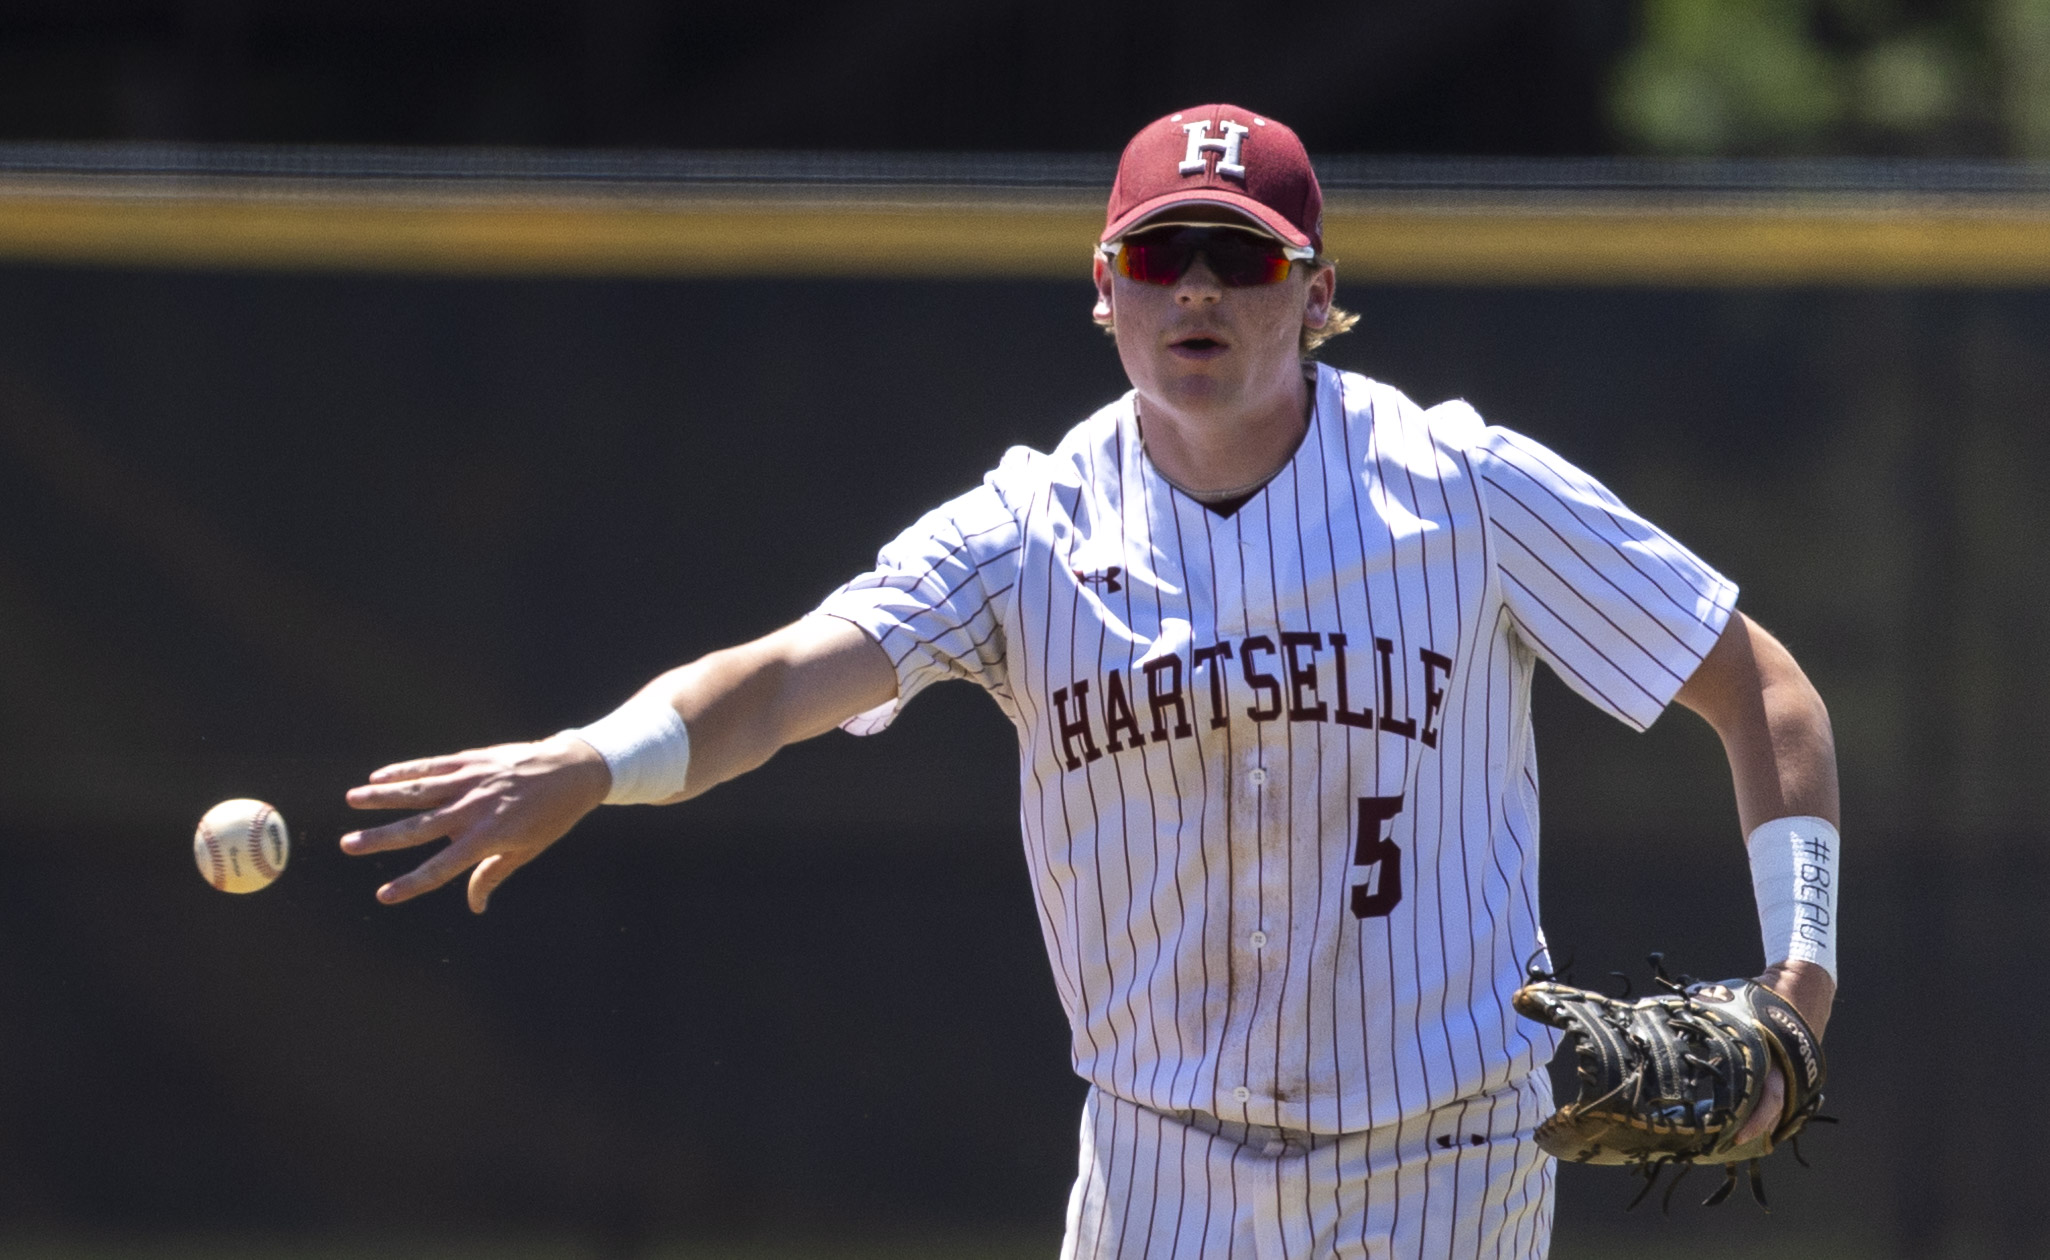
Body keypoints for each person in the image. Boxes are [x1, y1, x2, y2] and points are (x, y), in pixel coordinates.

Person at [342, 105, 1839, 1257]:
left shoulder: (1462, 490)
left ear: (1317, 294)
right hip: (1154, 1170)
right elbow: (790, 675)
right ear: (1103, 293)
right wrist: (598, 757)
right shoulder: (1026, 530)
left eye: (1241, 257)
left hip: (1437, 1160)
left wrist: (1798, 987)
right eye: (1157, 256)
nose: (1198, 289)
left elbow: (1754, 685)